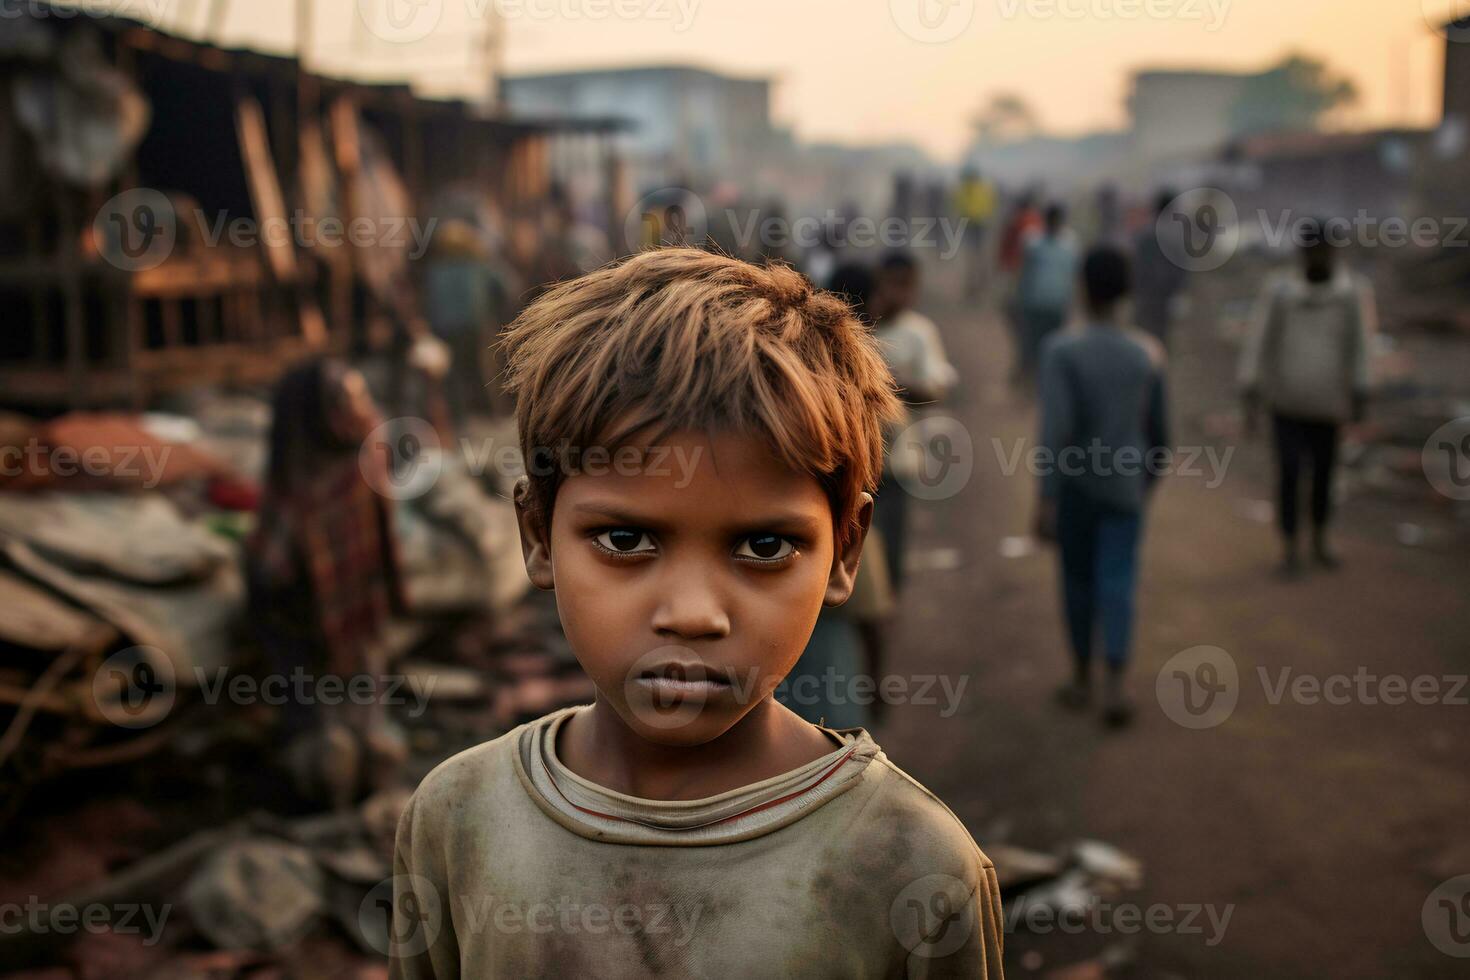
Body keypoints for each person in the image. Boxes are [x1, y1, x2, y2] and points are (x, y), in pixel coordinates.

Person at [389, 249, 1004, 978]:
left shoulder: (913, 865)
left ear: (844, 551)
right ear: (536, 535)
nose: (692, 615)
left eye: (765, 545)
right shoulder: (456, 820)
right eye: (624, 540)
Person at [247, 359, 409, 806]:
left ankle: (332, 774)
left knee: (318, 712)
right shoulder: (368, 451)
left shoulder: (301, 476)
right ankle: (365, 763)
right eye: (353, 398)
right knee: (362, 699)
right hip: (360, 610)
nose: (364, 405)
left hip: (312, 624)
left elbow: (269, 569)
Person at [1035, 246, 1168, 728]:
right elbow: (1160, 437)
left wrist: (1046, 498)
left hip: (1076, 489)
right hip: (1125, 489)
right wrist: (1141, 484)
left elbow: (1056, 432)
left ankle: (1079, 677)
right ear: (1127, 291)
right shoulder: (1146, 353)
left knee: (1077, 581)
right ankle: (1116, 681)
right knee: (1118, 579)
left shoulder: (1062, 351)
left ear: (1083, 288)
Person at [1238, 217, 1374, 576]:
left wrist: (1361, 390)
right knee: (1289, 473)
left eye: (1325, 249)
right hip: (1286, 402)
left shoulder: (1349, 294)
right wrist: (1250, 388)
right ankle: (1290, 547)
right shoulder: (1280, 290)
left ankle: (1319, 538)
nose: (1319, 256)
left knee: (1325, 475)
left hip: (1328, 405)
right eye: (1313, 249)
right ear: (1301, 252)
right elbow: (1259, 340)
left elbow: (1359, 346)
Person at [869, 250, 958, 593]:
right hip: (855, 458)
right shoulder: (861, 324)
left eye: (905, 287)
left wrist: (886, 384)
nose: (897, 294)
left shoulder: (919, 333)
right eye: (891, 285)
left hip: (897, 462)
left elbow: (937, 389)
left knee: (889, 551)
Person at [1015, 203, 1078, 381]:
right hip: (1035, 303)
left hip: (1056, 304)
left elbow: (1072, 276)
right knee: (1034, 343)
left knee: (1052, 344)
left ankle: (1045, 378)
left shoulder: (1069, 245)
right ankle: (1031, 378)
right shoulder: (1033, 244)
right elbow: (1024, 273)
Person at [1132, 189, 1189, 346]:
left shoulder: (1144, 234)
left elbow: (1136, 266)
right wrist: (1180, 292)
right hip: (1166, 296)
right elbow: (1183, 267)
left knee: (1143, 340)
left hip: (1145, 297)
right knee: (1162, 340)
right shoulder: (1178, 234)